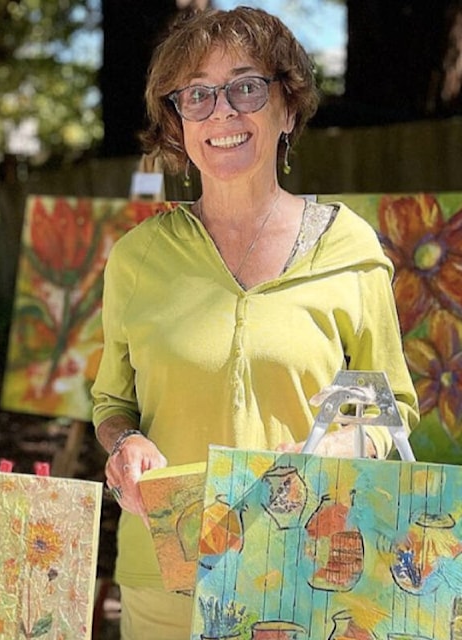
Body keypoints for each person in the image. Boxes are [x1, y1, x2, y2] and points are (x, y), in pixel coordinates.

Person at [90, 7, 420, 639]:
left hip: (309, 566)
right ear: (177, 122)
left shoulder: (347, 246)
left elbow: (393, 408)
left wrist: (340, 442)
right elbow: (112, 402)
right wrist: (121, 445)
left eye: (246, 86)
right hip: (165, 571)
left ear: (287, 108)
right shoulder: (138, 257)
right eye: (198, 94)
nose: (222, 112)